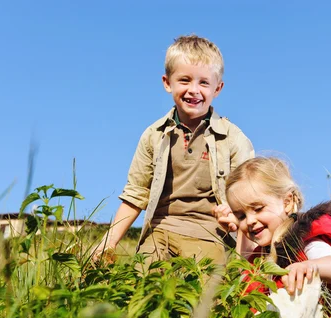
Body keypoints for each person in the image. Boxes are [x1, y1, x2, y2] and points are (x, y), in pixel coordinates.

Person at [92, 35, 254, 269]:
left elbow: (250, 196)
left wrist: (233, 213)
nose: (193, 90)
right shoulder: (153, 135)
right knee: (142, 283)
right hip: (161, 231)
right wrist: (107, 243)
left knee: (206, 294)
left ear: (217, 88)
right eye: (185, 80)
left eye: (204, 83)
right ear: (167, 83)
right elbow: (135, 195)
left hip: (210, 233)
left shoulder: (233, 138)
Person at [214, 156, 331, 304]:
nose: (250, 221)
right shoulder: (261, 254)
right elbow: (244, 275)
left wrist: (309, 266)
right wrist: (238, 229)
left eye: (258, 209)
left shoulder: (304, 239)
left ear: (287, 202)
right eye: (241, 216)